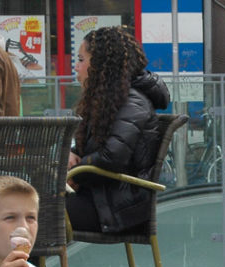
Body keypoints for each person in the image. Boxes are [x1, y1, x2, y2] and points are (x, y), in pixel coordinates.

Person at [66, 26, 169, 234]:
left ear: (101, 64)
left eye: (81, 59)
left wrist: (74, 174)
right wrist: (73, 155)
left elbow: (111, 157)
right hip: (103, 200)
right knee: (20, 215)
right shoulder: (112, 100)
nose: (76, 67)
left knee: (26, 219)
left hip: (118, 210)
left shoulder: (133, 102)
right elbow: (98, 148)